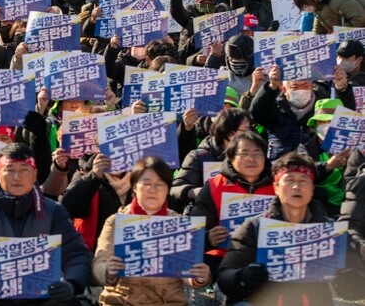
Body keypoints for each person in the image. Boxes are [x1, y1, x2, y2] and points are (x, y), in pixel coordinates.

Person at [0, 143, 93, 306]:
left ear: (34, 174)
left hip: (40, 299)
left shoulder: (53, 210)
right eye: (10, 170)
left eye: (24, 170)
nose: (17, 176)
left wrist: (71, 283)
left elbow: (76, 253)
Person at [217, 152, 336, 306]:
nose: (296, 186)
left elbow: (353, 276)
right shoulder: (254, 226)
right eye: (289, 180)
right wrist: (242, 277)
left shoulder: (329, 229)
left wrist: (348, 278)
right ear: (276, 187)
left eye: (303, 180)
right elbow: (225, 275)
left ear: (312, 188)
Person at [93, 156, 211, 304]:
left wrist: (199, 277)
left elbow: (186, 271)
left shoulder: (180, 224)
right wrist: (107, 270)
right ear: (135, 187)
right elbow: (100, 261)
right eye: (146, 183)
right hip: (123, 299)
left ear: (168, 189)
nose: (153, 190)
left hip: (168, 301)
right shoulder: (115, 222)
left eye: (160, 185)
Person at [189, 131, 275, 278]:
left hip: (269, 256)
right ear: (231, 157)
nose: (251, 159)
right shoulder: (215, 185)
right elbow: (193, 234)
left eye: (257, 154)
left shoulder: (279, 184)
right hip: (224, 256)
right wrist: (208, 238)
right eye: (244, 153)